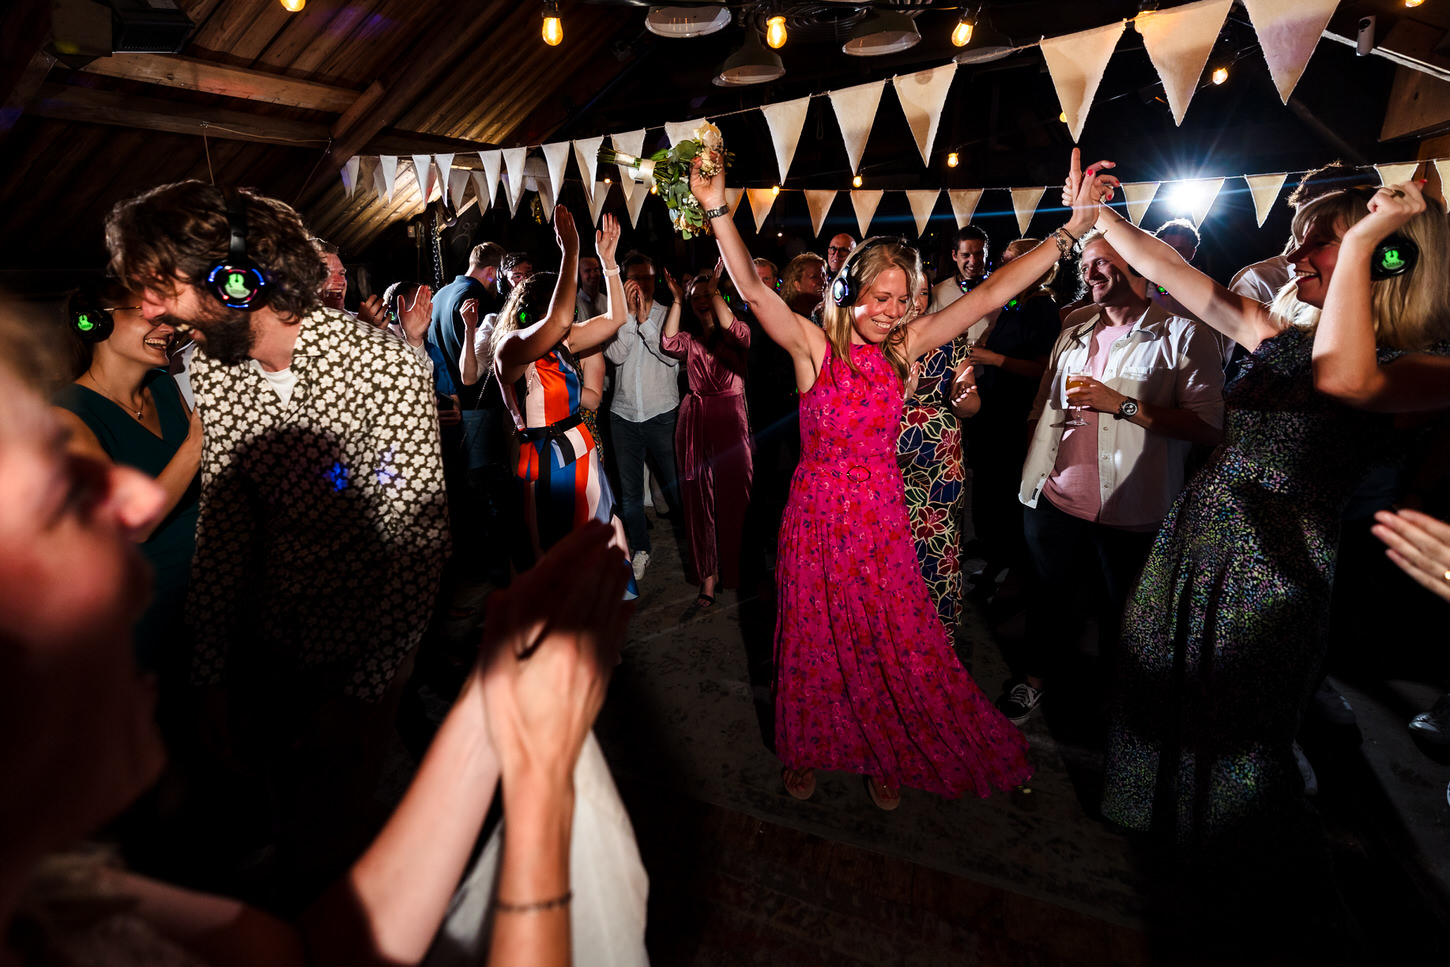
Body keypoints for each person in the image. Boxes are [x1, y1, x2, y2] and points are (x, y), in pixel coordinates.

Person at [0, 308, 634, 965]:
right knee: (289, 815)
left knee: (298, 817)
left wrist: (493, 704)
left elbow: (301, 950)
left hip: (317, 629)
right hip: (287, 635)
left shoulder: (63, 896)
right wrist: (539, 777)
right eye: (58, 505)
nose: (134, 505)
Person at [689, 149, 1111, 809]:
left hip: (882, 518)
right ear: (849, 292)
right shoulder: (814, 347)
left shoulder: (906, 348)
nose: (892, 311)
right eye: (880, 298)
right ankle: (805, 746)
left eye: (903, 300)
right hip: (817, 515)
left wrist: (1070, 231)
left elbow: (990, 293)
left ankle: (882, 745)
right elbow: (754, 291)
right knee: (814, 637)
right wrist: (716, 206)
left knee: (881, 640)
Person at [1075, 162, 1450, 864]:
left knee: (1236, 729)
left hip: (1272, 573)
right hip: (1194, 543)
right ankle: (1157, 845)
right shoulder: (1280, 338)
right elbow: (1167, 268)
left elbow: (1344, 378)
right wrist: (1099, 217)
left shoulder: (1423, 368)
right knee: (1155, 690)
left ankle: (1232, 872)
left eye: (1319, 242)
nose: (1295, 256)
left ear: (1389, 256)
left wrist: (1362, 241)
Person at [106, 181, 452, 908]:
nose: (152, 311)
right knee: (286, 828)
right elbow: (226, 525)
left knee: (328, 849)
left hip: (361, 647)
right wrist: (208, 673)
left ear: (239, 279)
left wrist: (365, 696)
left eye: (165, 288)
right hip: (265, 646)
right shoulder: (213, 367)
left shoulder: (384, 367)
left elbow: (417, 543)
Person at [999, 230, 1224, 726]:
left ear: (1138, 263)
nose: (1089, 271)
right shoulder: (1074, 326)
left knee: (1123, 610)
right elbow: (1044, 400)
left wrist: (1120, 404)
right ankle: (1034, 680)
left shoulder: (1184, 335)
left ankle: (1117, 700)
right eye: (1085, 263)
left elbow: (1209, 426)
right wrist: (1034, 458)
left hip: (1133, 505)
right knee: (1048, 596)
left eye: (1102, 261)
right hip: (1056, 497)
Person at [54, 280, 201, 674]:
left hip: (209, 591)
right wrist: (196, 444)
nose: (167, 329)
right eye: (151, 317)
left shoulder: (163, 385)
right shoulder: (67, 414)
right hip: (151, 607)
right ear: (96, 323)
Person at [492, 209, 634, 578]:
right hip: (544, 462)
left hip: (582, 450)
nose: (569, 312)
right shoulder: (510, 348)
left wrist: (609, 263)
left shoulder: (564, 341)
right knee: (555, 554)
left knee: (596, 547)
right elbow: (558, 321)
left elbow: (617, 318)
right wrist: (570, 252)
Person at [961, 238, 1061, 599]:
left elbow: (1042, 368)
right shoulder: (1016, 302)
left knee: (1006, 494)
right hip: (993, 410)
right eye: (1003, 261)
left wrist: (992, 358)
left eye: (1011, 261)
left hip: (1014, 414)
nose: (1003, 268)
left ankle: (1014, 574)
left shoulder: (1042, 307)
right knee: (989, 491)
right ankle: (994, 559)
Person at [661, 263, 753, 612]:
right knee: (698, 502)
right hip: (695, 419)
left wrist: (715, 292)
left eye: (707, 295)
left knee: (737, 497)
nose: (701, 300)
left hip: (731, 419)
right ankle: (708, 577)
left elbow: (735, 331)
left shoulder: (738, 331)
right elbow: (668, 343)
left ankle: (737, 570)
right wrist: (676, 300)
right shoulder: (690, 340)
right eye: (695, 297)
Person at [895, 270, 970, 632]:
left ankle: (934, 636)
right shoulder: (873, 338)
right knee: (890, 549)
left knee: (935, 545)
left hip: (940, 462)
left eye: (923, 292)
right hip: (887, 457)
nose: (917, 301)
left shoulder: (951, 336)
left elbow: (971, 404)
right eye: (908, 292)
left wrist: (963, 397)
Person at [603, 251, 681, 581]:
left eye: (648, 277)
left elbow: (671, 357)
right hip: (623, 416)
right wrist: (628, 317)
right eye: (635, 278)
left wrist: (646, 322)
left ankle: (695, 545)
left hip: (662, 413)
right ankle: (641, 549)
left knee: (677, 486)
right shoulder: (613, 317)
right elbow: (617, 356)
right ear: (625, 281)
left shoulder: (668, 313)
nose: (643, 284)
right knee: (630, 493)